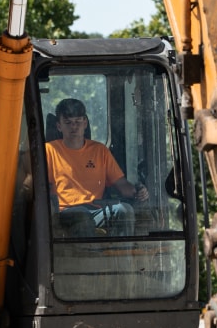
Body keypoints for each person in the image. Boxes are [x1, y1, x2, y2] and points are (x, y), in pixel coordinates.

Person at [45, 98, 149, 236]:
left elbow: (121, 183)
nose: (73, 127)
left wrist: (138, 191)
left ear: (85, 123)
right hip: (65, 212)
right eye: (68, 123)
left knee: (124, 210)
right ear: (59, 126)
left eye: (77, 122)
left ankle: (121, 254)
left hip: (96, 209)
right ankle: (87, 256)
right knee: (81, 216)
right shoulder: (49, 151)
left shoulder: (100, 151)